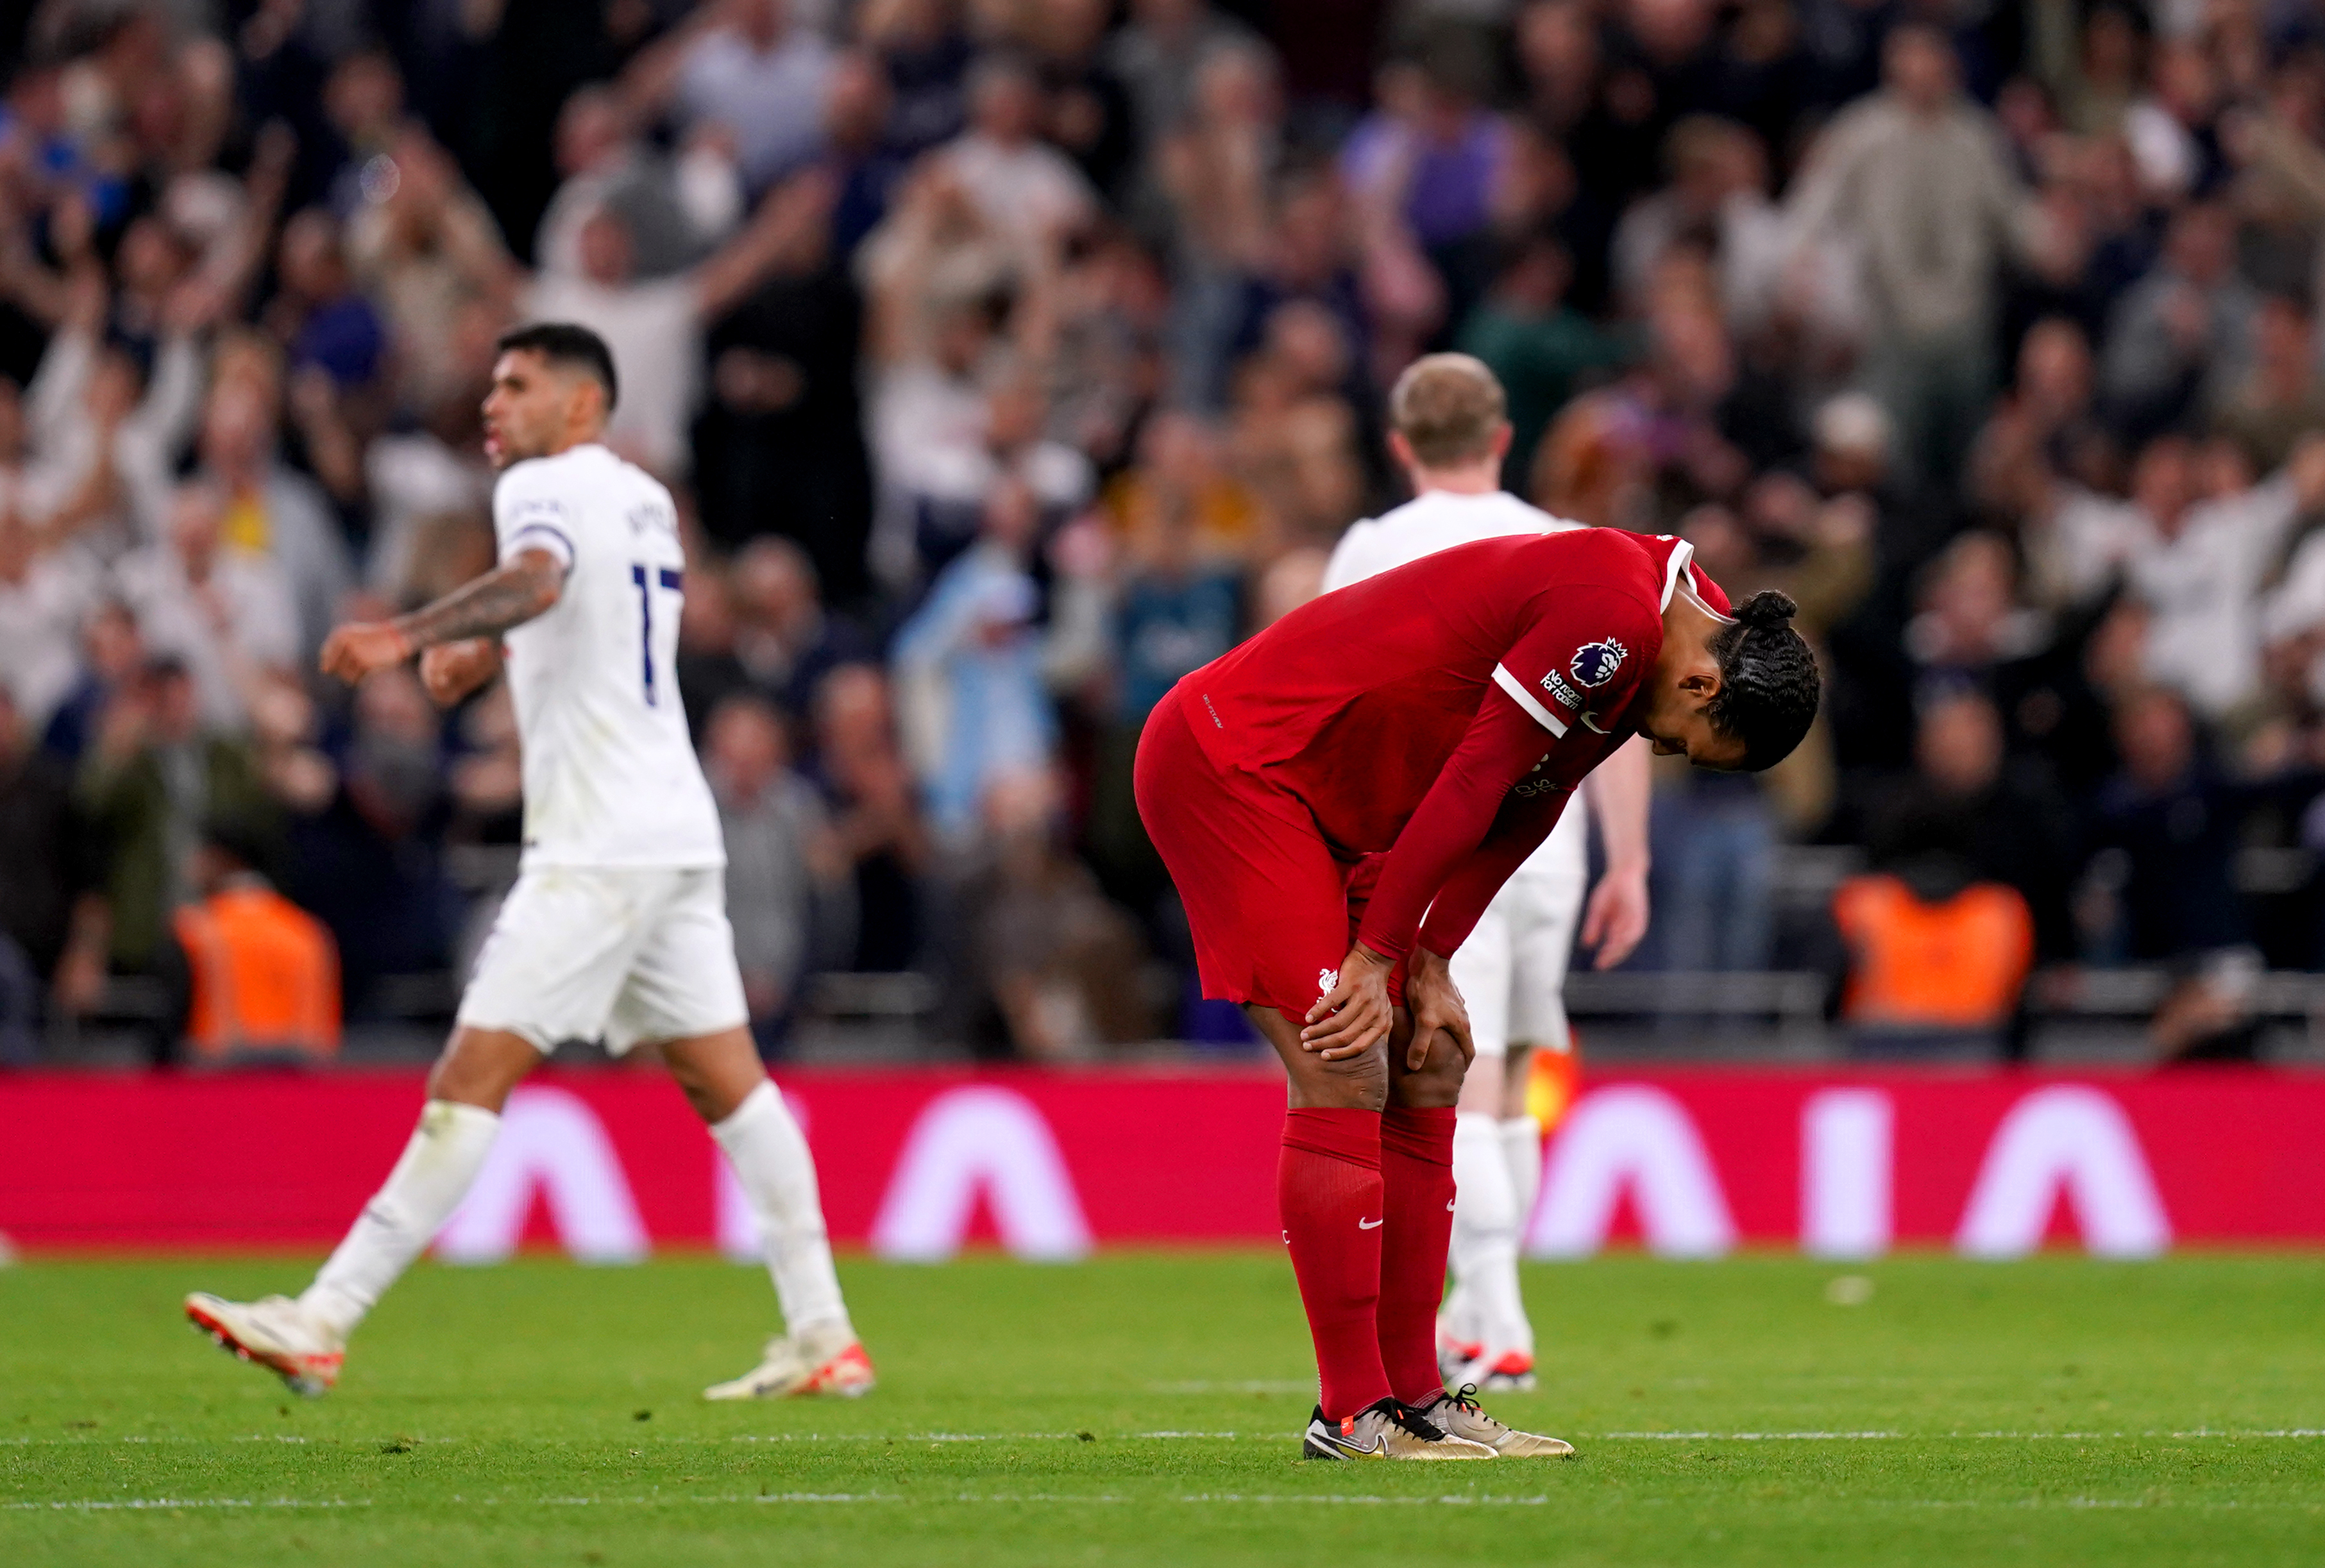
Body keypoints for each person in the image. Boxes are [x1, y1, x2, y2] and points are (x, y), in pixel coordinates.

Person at [183, 324, 871, 1404]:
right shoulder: (646, 501)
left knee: (469, 1078)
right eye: (493, 384)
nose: (494, 404)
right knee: (731, 1085)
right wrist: (491, 648)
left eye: (520, 384)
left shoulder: (541, 489)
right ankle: (824, 1329)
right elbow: (590, 613)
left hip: (598, 845)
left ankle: (321, 1317)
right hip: (675, 832)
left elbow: (544, 579)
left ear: (582, 405)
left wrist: (405, 634)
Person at [1135, 438, 1819, 1460]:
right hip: (1240, 763)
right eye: (1681, 739)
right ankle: (1349, 1410)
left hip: (1336, 804)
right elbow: (1471, 781)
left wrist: (1429, 957)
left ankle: (1417, 1393)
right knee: (1345, 1054)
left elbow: (1524, 809)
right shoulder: (1612, 613)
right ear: (1700, 682)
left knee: (1431, 1053)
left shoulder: (1670, 622)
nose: (1660, 747)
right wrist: (1374, 953)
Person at [1320, 355, 1653, 1396]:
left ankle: (1491, 1309)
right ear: (1502, 439)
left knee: (1432, 1074)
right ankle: (1488, 1311)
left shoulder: (1372, 546)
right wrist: (1629, 857)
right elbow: (1624, 708)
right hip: (1545, 843)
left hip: (1426, 845)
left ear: (1399, 445)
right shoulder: (1567, 545)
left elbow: (1339, 694)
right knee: (1503, 1078)